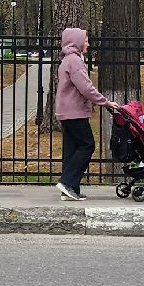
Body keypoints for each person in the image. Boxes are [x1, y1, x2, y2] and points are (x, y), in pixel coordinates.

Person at [54, 26, 119, 200]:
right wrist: (105, 102)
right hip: (74, 112)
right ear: (77, 42)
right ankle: (67, 181)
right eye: (86, 40)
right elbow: (86, 88)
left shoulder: (68, 59)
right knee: (87, 145)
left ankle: (69, 189)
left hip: (66, 111)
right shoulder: (74, 61)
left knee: (72, 148)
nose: (88, 43)